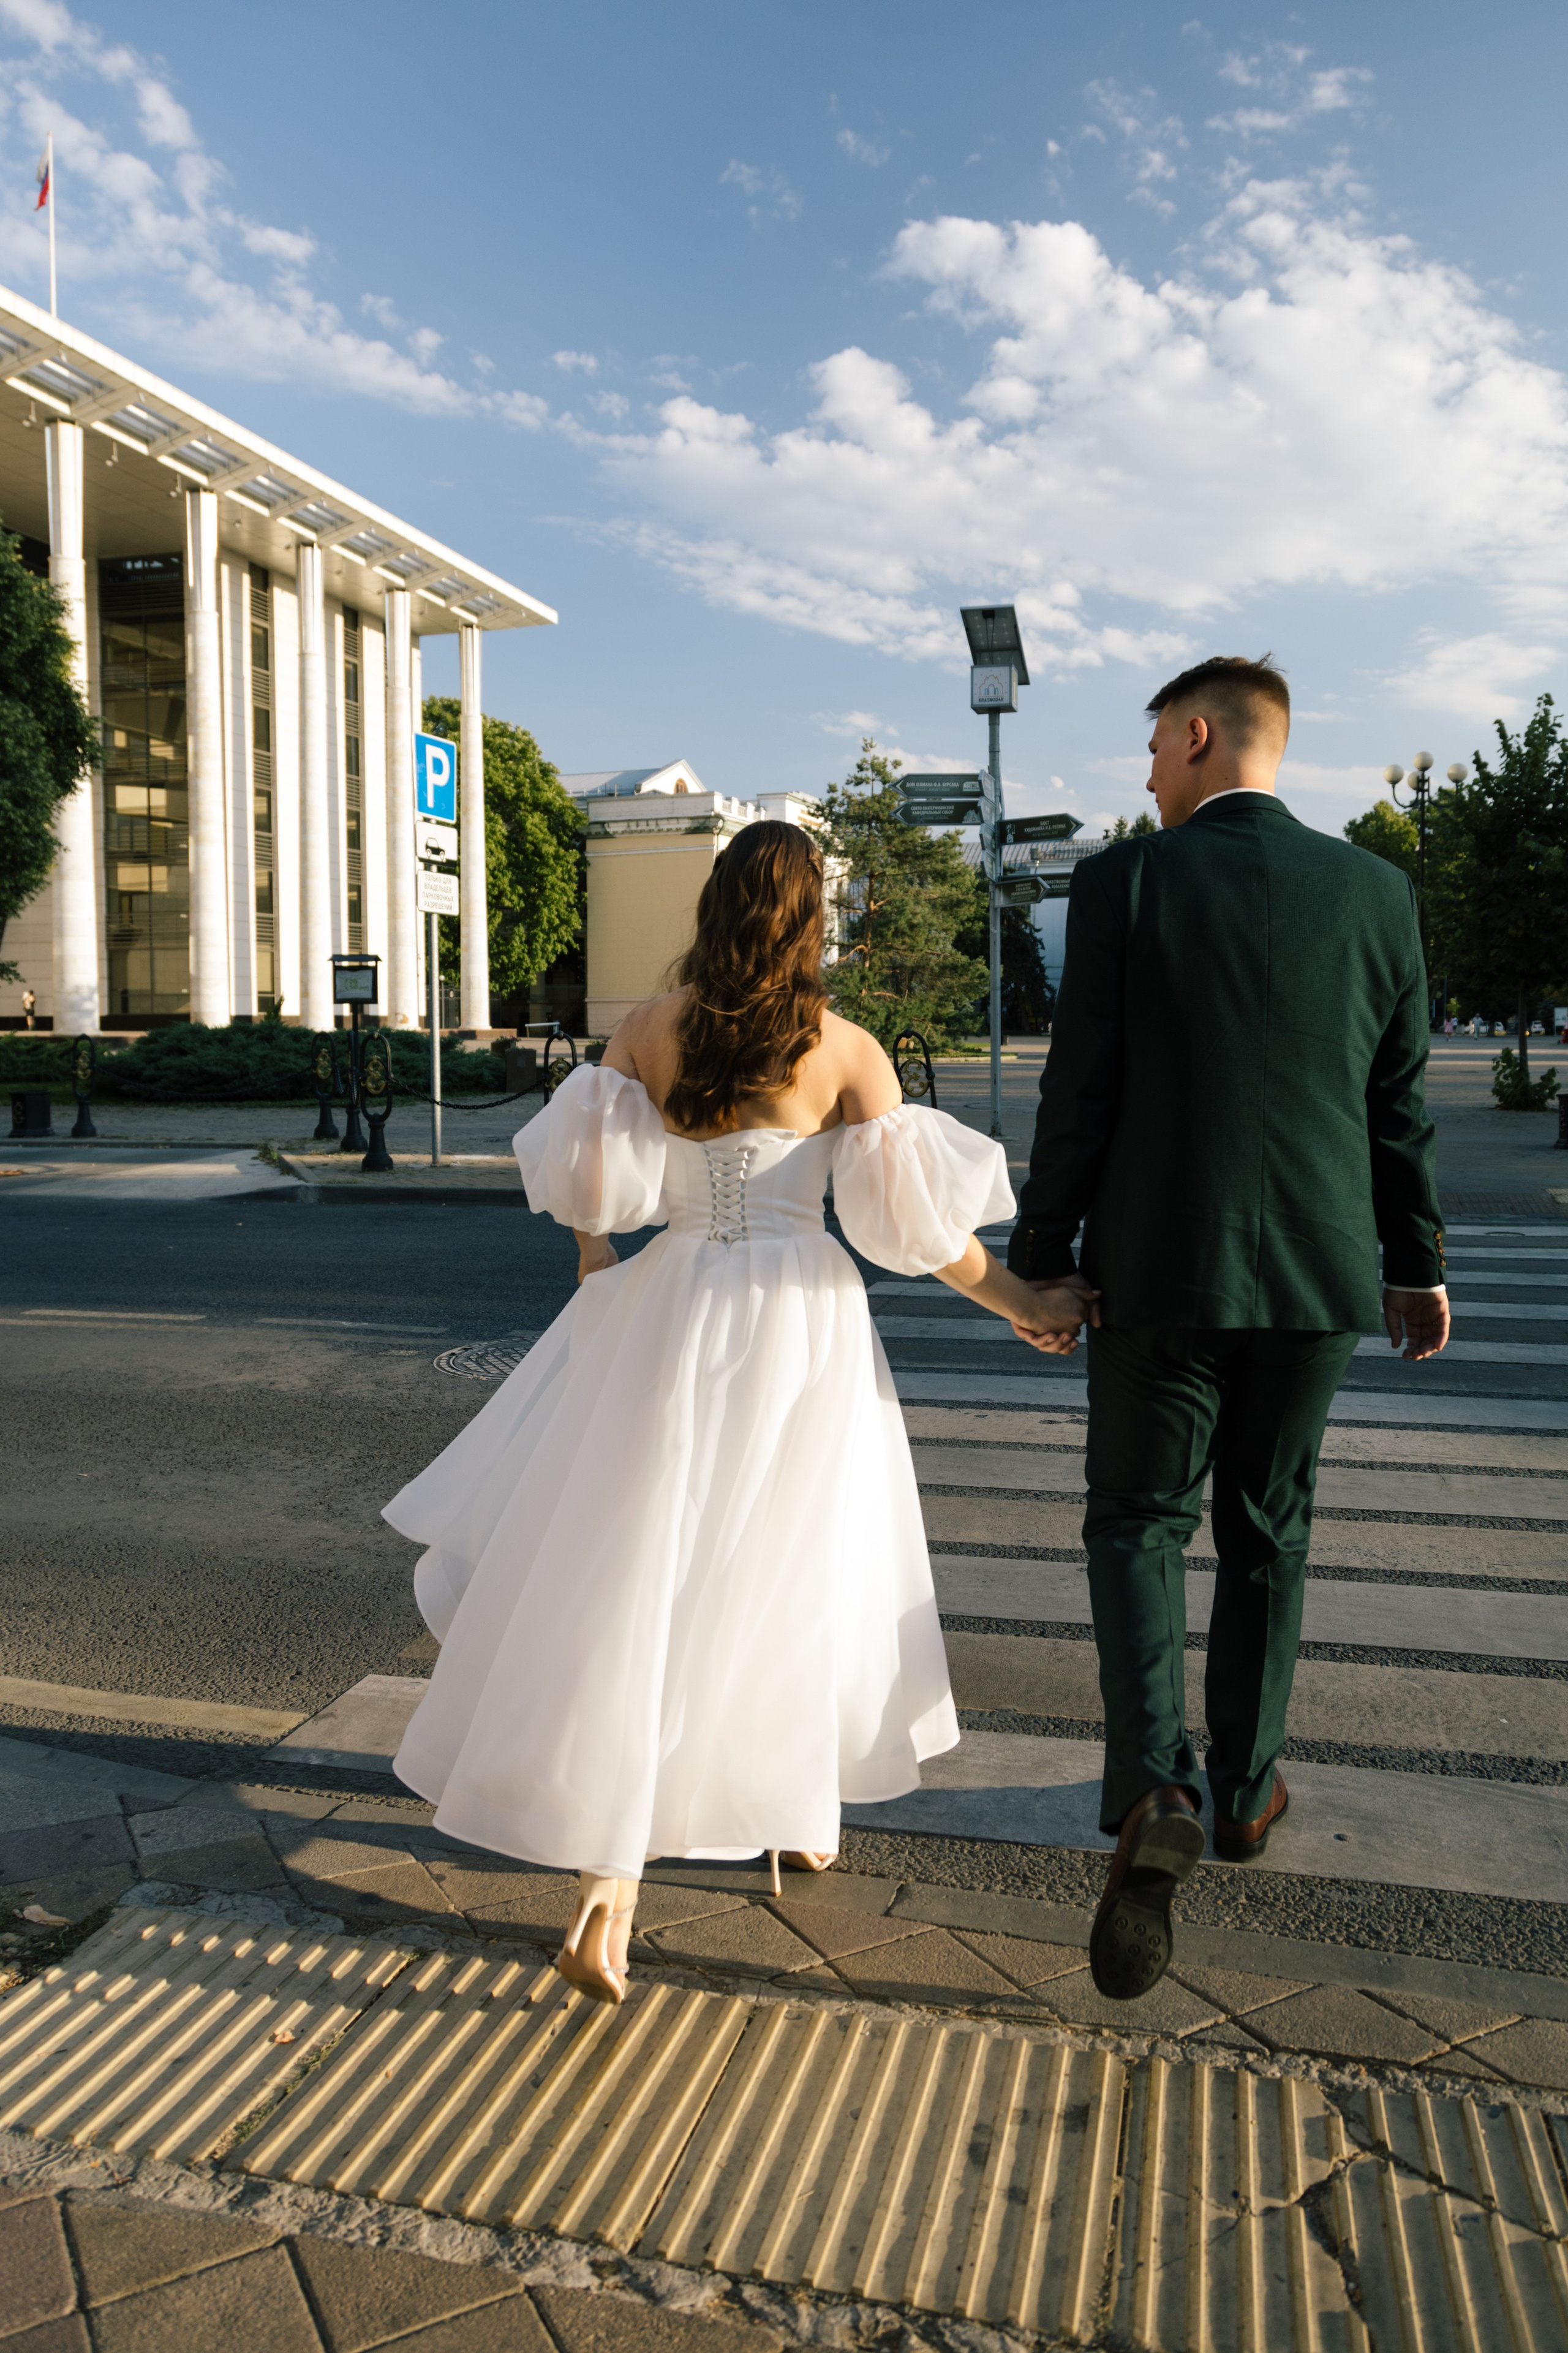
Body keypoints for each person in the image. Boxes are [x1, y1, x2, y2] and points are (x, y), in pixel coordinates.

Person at [384, 821, 1092, 2004]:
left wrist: (597, 1260)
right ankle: (793, 1808)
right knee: (785, 1570)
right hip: (798, 1326)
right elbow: (923, 1240)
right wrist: (1028, 1300)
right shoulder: (844, 1050)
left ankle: (608, 1892)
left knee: (638, 1574)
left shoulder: (646, 1032)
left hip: (668, 1304)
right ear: (813, 917)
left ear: (714, 907)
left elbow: (590, 1184)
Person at [1008, 656, 1448, 2003]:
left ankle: (1153, 1789)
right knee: (1270, 1530)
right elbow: (1398, 1106)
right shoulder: (1378, 895)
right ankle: (1247, 1791)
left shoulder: (1126, 885)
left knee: (1136, 1520)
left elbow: (1079, 1089)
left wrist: (1041, 1257)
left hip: (1161, 1272)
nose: (1145, 773)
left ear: (1198, 737)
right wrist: (1414, 1262)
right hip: (1318, 1279)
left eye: (1152, 747)